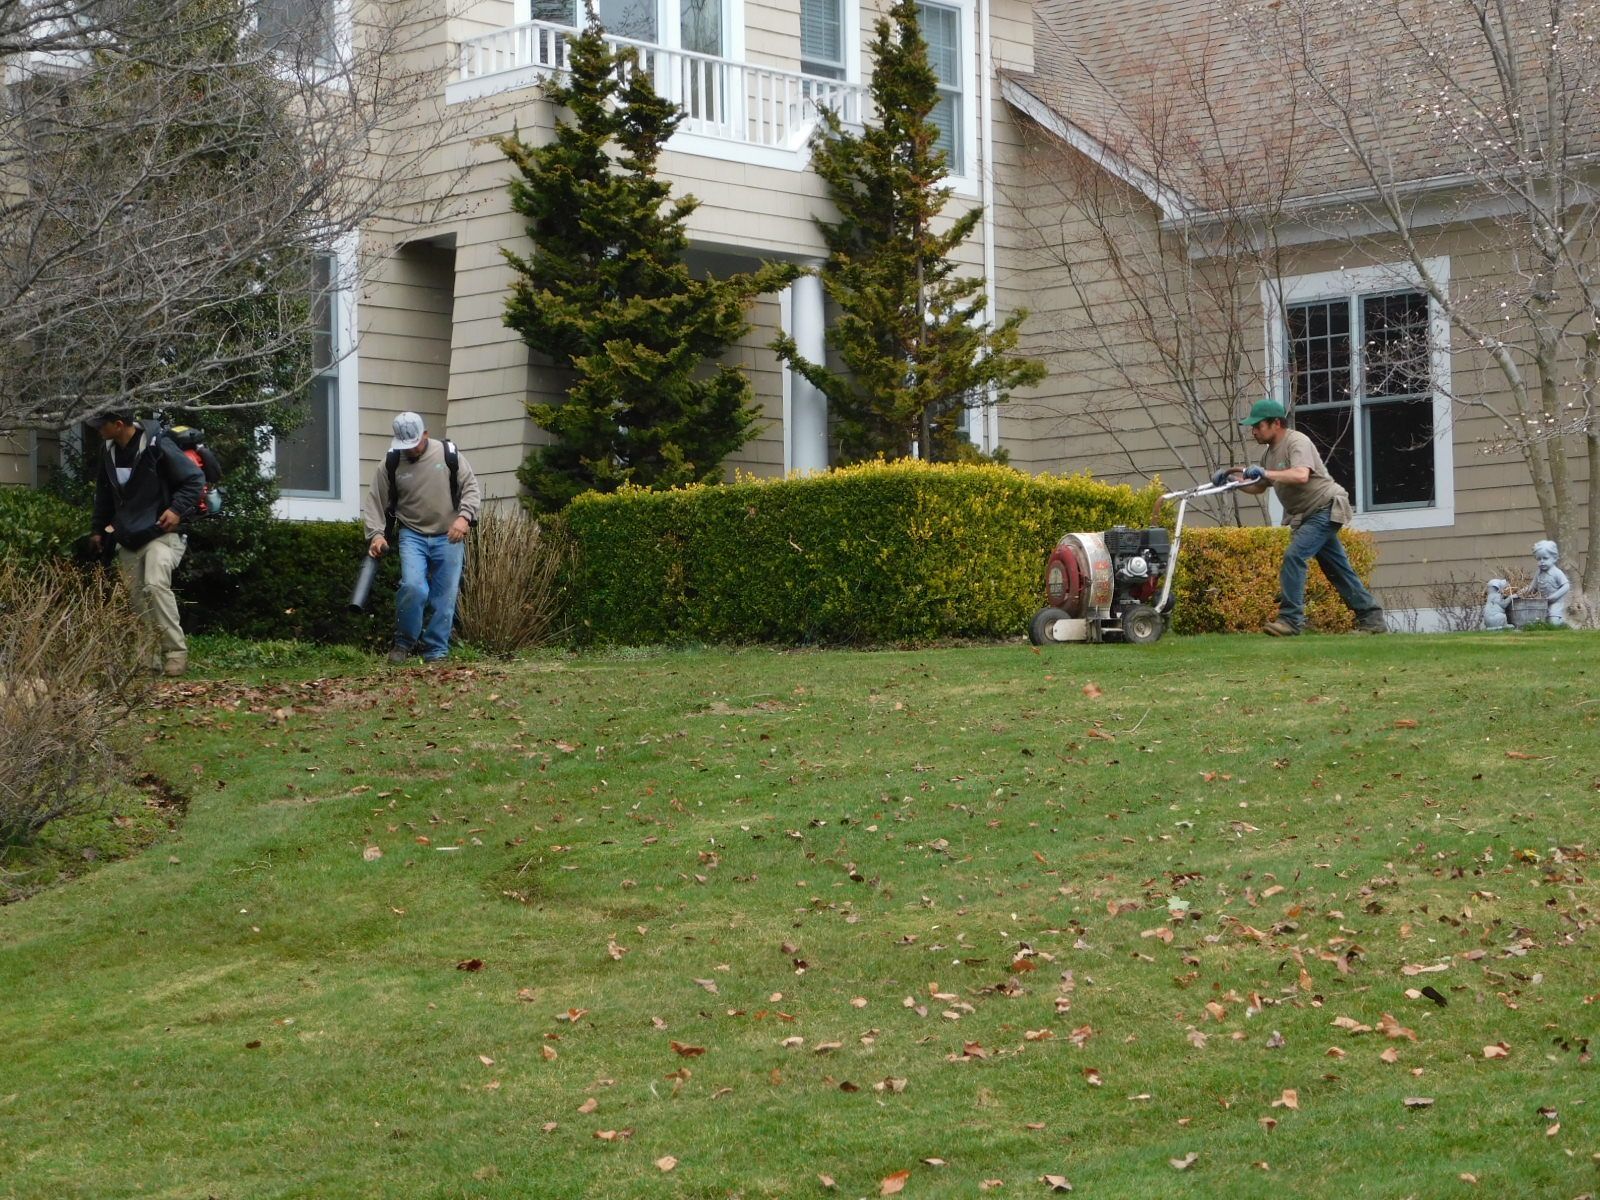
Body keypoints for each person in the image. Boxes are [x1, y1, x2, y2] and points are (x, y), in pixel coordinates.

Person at [1223, 398, 1386, 636]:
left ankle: (1290, 620)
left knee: (1294, 556)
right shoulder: (1269, 454)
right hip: (1308, 516)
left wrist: (1265, 473)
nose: (1254, 431)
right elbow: (1260, 486)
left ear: (1276, 423)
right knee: (1337, 569)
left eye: (1258, 426)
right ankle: (1372, 619)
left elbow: (1300, 475)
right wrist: (1233, 484)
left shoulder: (1297, 441)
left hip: (1326, 508)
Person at [87, 411, 206, 676]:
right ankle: (148, 658)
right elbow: (104, 494)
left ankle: (175, 653)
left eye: (101, 425)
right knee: (136, 597)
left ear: (119, 425)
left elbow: (194, 479)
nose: (97, 430)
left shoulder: (157, 444)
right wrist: (97, 530)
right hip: (129, 535)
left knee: (155, 585)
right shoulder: (108, 451)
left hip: (162, 533)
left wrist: (176, 510)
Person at [362, 412, 481, 664]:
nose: (411, 450)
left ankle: (436, 651)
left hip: (449, 535)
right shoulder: (391, 463)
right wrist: (376, 535)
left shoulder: (449, 454)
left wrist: (464, 517)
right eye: (405, 446)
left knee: (445, 596)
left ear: (425, 434)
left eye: (414, 444)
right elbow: (375, 501)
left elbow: (471, 487)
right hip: (412, 535)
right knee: (413, 587)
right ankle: (404, 643)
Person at [1523, 539, 1570, 626]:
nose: (1542, 562)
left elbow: (1566, 586)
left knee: (1553, 622)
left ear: (1554, 558)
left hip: (1555, 602)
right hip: (1542, 603)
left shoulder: (1556, 572)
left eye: (1545, 558)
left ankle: (1562, 623)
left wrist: (1554, 597)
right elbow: (1532, 587)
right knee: (1537, 621)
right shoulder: (1539, 573)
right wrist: (1519, 593)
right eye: (1539, 559)